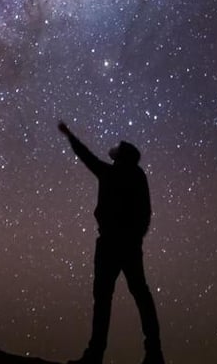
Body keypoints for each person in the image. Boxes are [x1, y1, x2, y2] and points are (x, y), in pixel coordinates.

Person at [58, 121, 164, 364]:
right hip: (129, 244)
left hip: (110, 243)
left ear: (120, 157)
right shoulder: (138, 177)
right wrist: (136, 237)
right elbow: (146, 212)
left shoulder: (110, 173)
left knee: (104, 299)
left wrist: (70, 135)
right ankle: (154, 352)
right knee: (140, 294)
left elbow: (86, 156)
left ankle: (95, 354)